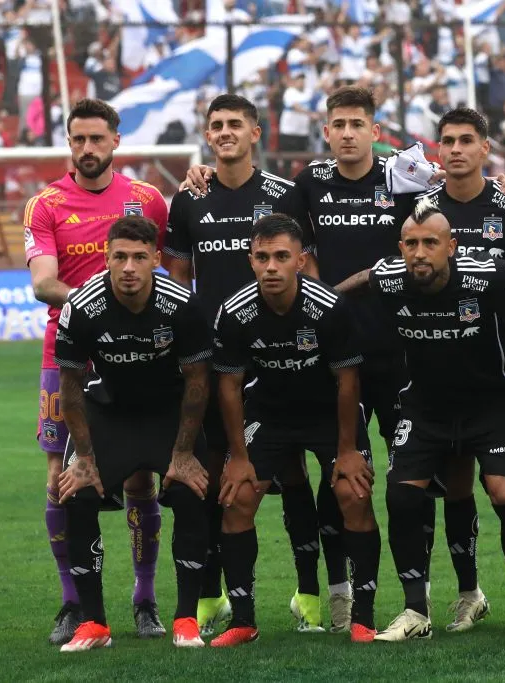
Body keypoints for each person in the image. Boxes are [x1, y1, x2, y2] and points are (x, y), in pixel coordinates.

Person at [182, 86, 505, 621]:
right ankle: (339, 593)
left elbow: (446, 209)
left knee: (432, 478)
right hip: (332, 357)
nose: (346, 134)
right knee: (343, 478)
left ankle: (455, 591)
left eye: (356, 124)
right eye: (337, 124)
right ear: (325, 131)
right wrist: (200, 174)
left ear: (375, 131)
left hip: (404, 354)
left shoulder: (403, 179)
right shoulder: (308, 184)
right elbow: (274, 227)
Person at [163, 93, 332, 636]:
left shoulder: (286, 194)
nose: (226, 132)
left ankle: (309, 592)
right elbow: (174, 281)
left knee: (293, 474)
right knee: (217, 479)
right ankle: (214, 594)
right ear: (207, 135)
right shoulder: (190, 198)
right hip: (214, 365)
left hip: (281, 360)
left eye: (236, 123)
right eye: (217, 125)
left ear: (256, 132)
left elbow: (314, 273)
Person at [339, 200, 505, 641]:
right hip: (426, 408)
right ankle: (416, 611)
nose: (419, 253)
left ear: (451, 246)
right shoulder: (393, 277)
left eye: (430, 242)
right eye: (411, 244)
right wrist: (317, 304)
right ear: (400, 247)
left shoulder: (489, 276)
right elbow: (361, 282)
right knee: (401, 495)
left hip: (491, 404)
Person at [24, 98, 171, 644]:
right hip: (64, 359)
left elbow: (170, 272)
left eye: (97, 138)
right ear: (69, 142)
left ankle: (145, 597)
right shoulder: (44, 205)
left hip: (137, 356)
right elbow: (43, 282)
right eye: (77, 139)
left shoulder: (148, 199)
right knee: (61, 480)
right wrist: (99, 308)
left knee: (139, 476)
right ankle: (73, 602)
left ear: (116, 140)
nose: (87, 149)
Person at [209, 214, 381, 646]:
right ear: (250, 261)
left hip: (329, 413)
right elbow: (228, 388)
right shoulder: (234, 313)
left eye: (281, 256)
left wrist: (346, 450)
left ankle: (363, 615)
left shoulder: (329, 308)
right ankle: (243, 621)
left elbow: (348, 383)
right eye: (262, 257)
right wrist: (239, 458)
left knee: (352, 493)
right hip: (271, 413)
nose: (271, 266)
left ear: (300, 261)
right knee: (237, 499)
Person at [410, 107, 505, 631]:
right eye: (447, 141)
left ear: (485, 148)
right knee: (454, 481)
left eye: (467, 140)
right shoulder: (424, 211)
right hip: (442, 368)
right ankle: (469, 591)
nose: (455, 150)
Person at [54, 216, 213, 652]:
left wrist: (183, 453)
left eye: (139, 257)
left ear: (155, 261)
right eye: (119, 256)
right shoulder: (82, 307)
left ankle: (185, 619)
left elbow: (199, 381)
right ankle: (95, 624)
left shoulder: (183, 305)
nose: (128, 267)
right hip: (109, 414)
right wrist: (84, 460)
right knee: (76, 494)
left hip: (168, 415)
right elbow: (70, 386)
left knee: (191, 491)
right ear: (106, 259)